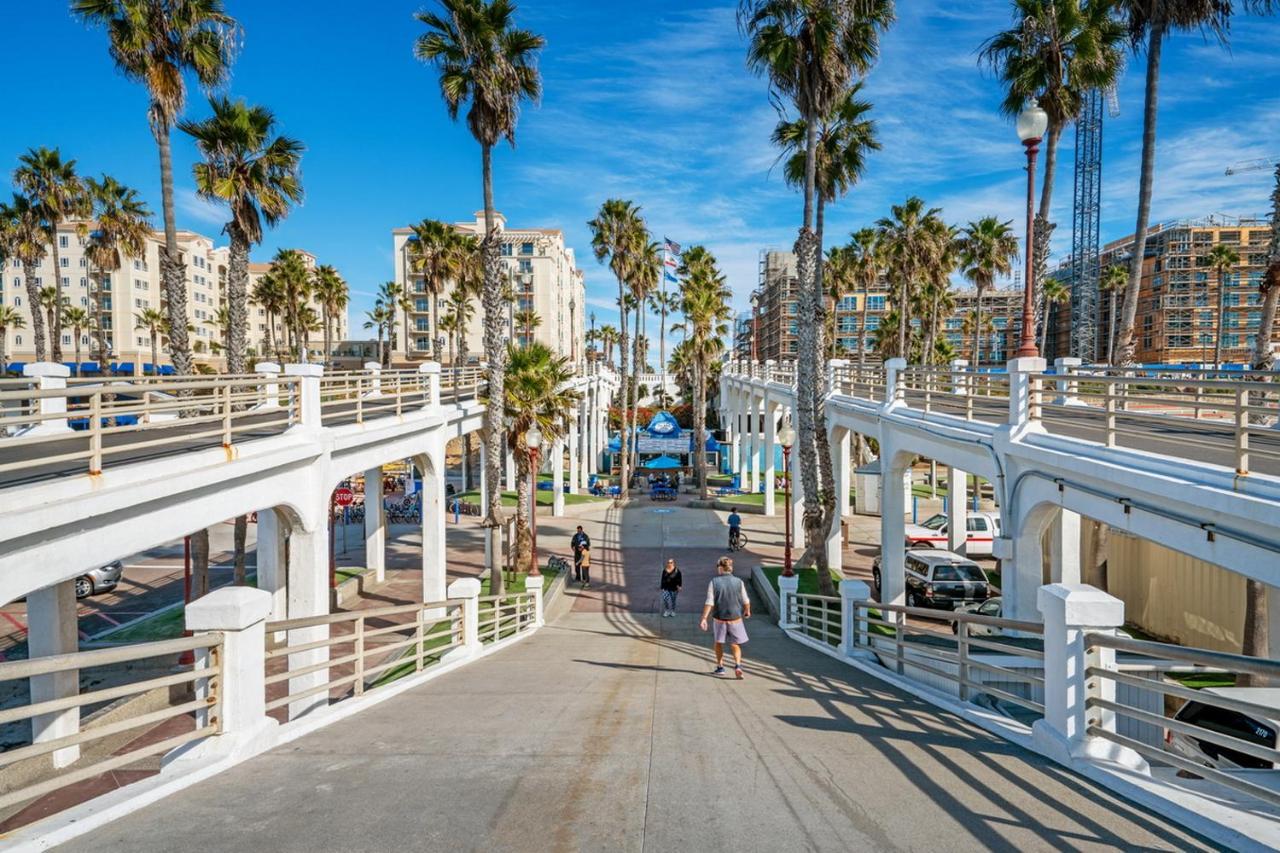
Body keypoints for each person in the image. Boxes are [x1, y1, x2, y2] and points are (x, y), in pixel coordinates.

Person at [700, 557, 750, 678]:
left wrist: (704, 618)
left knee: (718, 643)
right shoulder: (739, 581)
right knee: (735, 644)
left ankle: (720, 667)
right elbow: (745, 599)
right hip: (735, 617)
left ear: (721, 568)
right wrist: (747, 610)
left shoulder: (714, 582)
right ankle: (738, 665)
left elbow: (710, 601)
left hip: (719, 618)